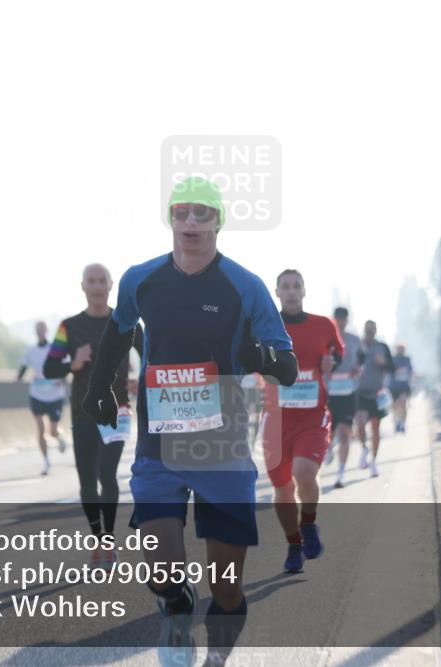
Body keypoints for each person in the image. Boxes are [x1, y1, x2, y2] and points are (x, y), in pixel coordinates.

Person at [82, 176, 297, 666]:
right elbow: (118, 335)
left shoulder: (246, 286)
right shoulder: (142, 279)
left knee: (225, 589)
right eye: (183, 212)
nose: (192, 221)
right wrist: (98, 390)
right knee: (161, 571)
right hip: (160, 447)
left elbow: (285, 366)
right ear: (170, 219)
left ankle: (217, 657)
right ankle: (176, 608)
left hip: (221, 450)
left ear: (219, 221)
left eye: (203, 213)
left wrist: (257, 353)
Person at [43, 264, 142, 569]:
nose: (97, 287)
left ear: (111, 286)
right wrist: (73, 363)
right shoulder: (68, 327)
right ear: (82, 286)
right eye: (92, 282)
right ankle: (98, 539)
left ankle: (108, 544)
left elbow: (153, 355)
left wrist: (142, 379)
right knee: (87, 481)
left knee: (107, 474)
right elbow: (49, 368)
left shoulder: (127, 323)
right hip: (84, 413)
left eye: (102, 281)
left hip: (118, 411)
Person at [262, 270, 343, 573]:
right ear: (277, 292)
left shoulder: (323, 325)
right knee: (282, 488)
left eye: (296, 286)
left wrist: (331, 362)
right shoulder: (265, 327)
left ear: (304, 291)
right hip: (275, 418)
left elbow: (338, 354)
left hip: (312, 415)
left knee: (303, 472)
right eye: (285, 286)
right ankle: (293, 543)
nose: (291, 291)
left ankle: (308, 523)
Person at [18, 320, 68, 475]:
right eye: (38, 329)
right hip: (37, 394)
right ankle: (46, 462)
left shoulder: (55, 349)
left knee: (52, 431)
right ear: (35, 331)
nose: (40, 331)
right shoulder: (31, 350)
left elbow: (66, 367)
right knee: (40, 428)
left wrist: (62, 379)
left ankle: (59, 437)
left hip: (54, 395)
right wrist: (17, 378)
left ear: (46, 331)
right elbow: (24, 366)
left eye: (42, 329)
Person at [325, 306, 362, 488]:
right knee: (329, 433)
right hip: (329, 394)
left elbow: (361, 359)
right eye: (337, 319)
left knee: (345, 433)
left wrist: (358, 369)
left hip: (348, 393)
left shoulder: (354, 340)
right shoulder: (325, 338)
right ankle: (328, 448)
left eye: (343, 319)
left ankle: (340, 473)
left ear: (347, 320)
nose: (340, 322)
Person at [354, 320, 394, 478]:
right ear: (364, 330)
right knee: (360, 423)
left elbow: (392, 368)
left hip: (377, 393)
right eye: (367, 329)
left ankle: (374, 462)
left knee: (376, 428)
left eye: (372, 329)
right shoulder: (359, 347)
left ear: (376, 330)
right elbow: (350, 363)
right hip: (360, 391)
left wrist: (383, 363)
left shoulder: (382, 347)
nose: (370, 331)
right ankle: (364, 448)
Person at [390, 344, 414, 433]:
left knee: (403, 404)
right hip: (394, 386)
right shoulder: (392, 359)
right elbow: (388, 371)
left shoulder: (407, 359)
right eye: (398, 349)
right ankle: (397, 422)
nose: (400, 350)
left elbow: (410, 371)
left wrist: (411, 382)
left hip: (404, 386)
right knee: (395, 405)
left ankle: (403, 423)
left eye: (402, 349)